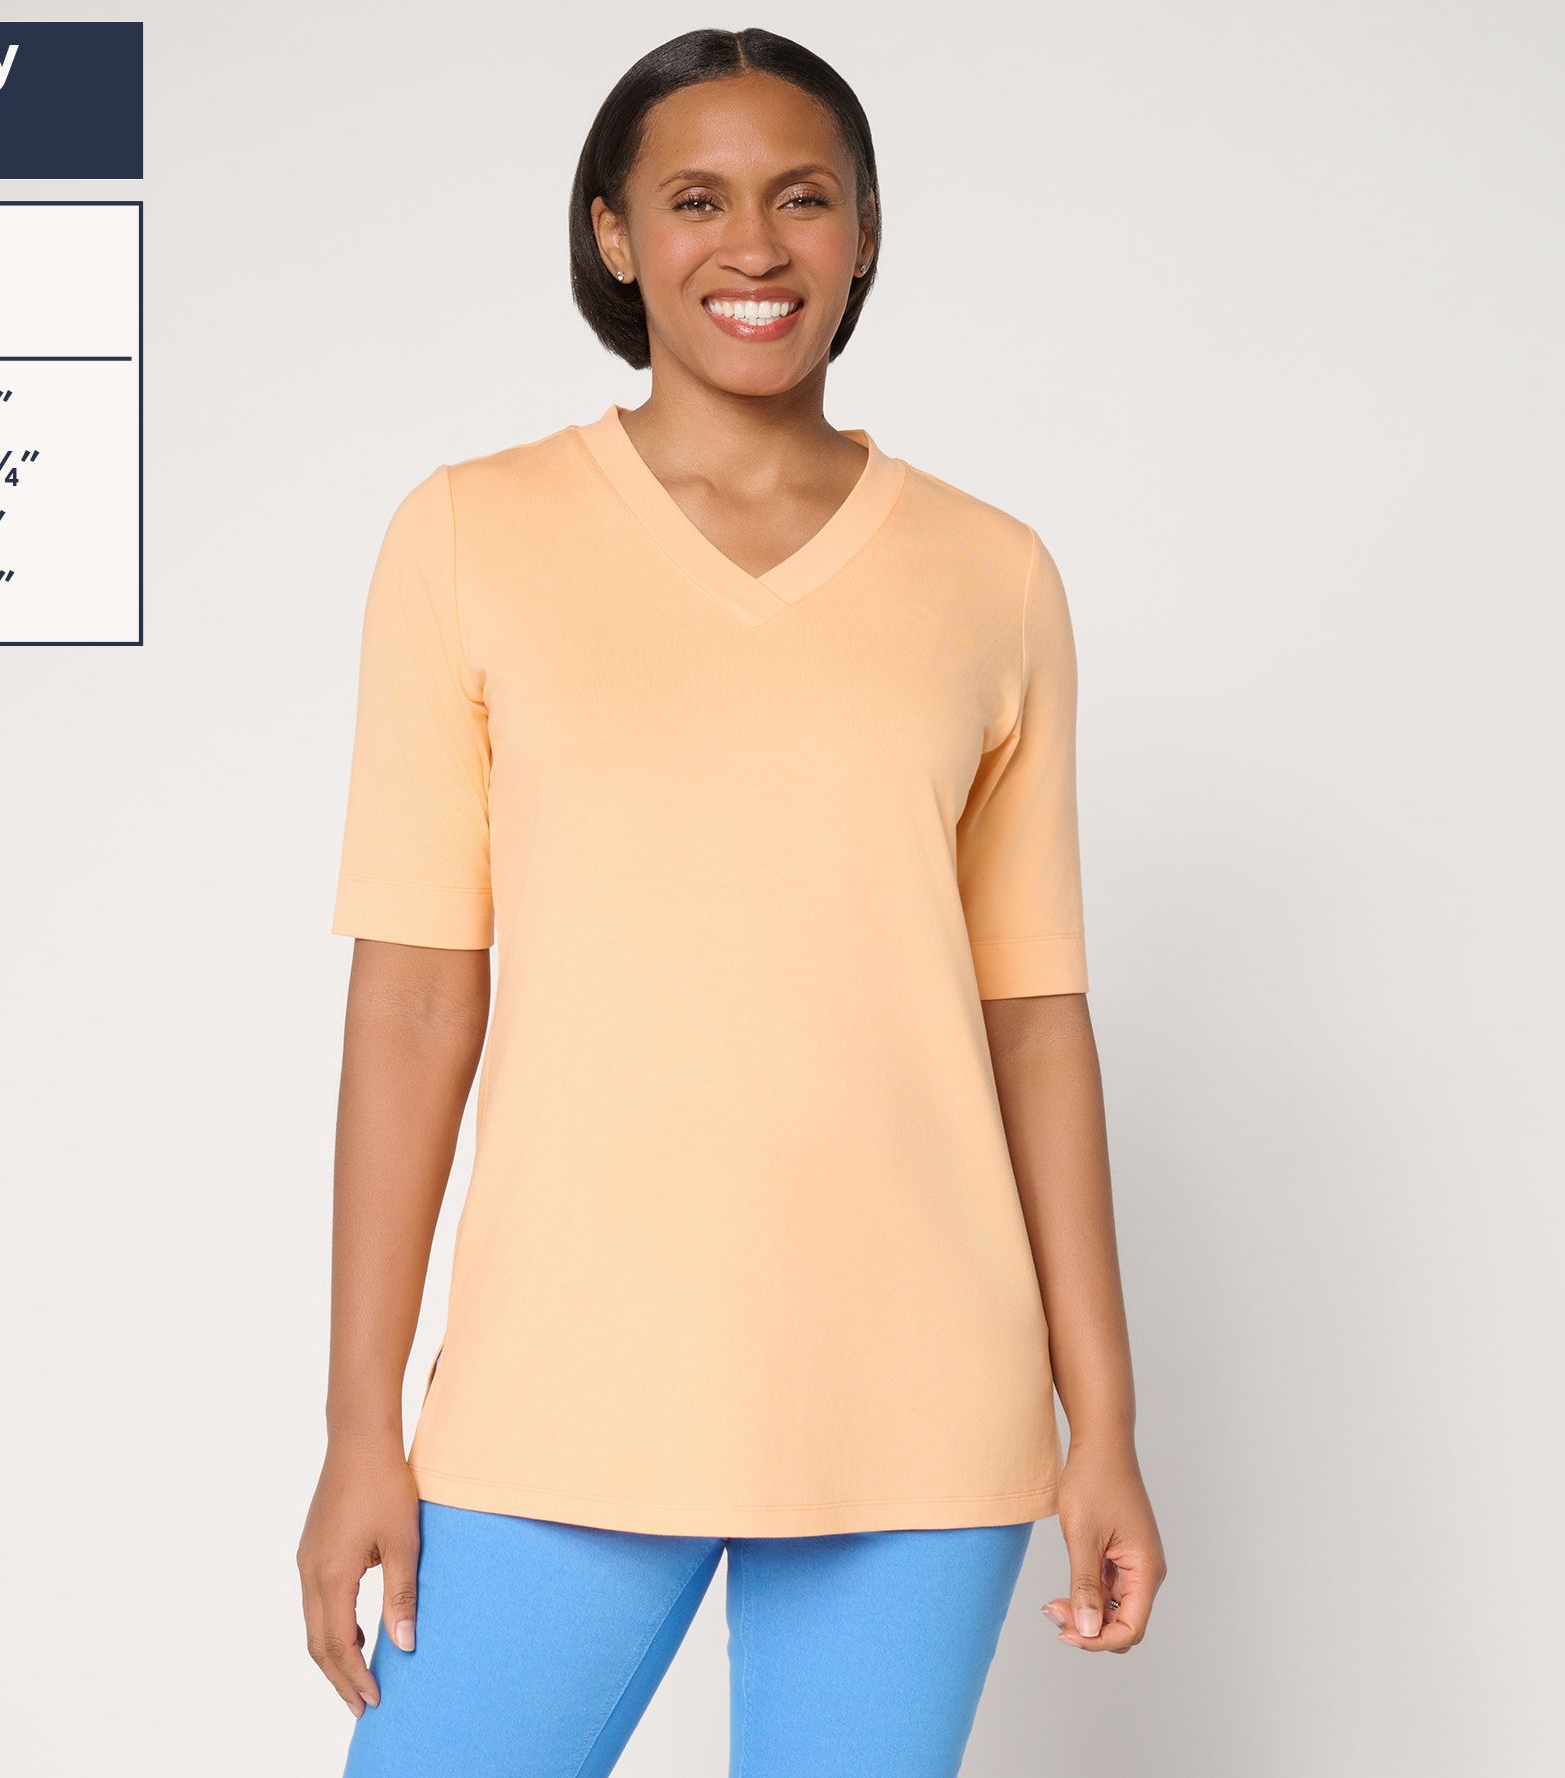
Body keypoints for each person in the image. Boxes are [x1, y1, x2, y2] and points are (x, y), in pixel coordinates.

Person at [298, 27, 1167, 1777]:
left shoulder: (991, 574)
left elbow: (1033, 1020)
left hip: (919, 1392)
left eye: (803, 198)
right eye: (696, 199)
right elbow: (413, 1000)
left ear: (863, 233)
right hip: (562, 1379)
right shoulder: (469, 536)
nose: (754, 246)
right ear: (615, 234)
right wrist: (359, 1426)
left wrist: (1106, 1422)